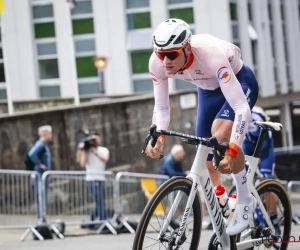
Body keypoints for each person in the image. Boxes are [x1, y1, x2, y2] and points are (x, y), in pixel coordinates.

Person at [145, 18, 259, 235]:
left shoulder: (210, 54)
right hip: (207, 89)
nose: (165, 61)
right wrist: (158, 137)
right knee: (205, 154)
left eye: (171, 54)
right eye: (161, 54)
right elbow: (161, 106)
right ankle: (225, 203)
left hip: (238, 81)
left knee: (220, 134)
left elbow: (241, 109)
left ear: (187, 48)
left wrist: (232, 150)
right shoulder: (156, 63)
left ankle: (245, 202)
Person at [242, 106, 281, 235]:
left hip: (264, 148)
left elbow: (266, 136)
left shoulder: (257, 113)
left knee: (265, 179)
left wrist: (257, 156)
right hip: (247, 145)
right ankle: (255, 216)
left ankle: (273, 219)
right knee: (243, 180)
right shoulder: (234, 110)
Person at [79, 132, 109, 223]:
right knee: (99, 201)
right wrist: (84, 150)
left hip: (101, 179)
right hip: (91, 180)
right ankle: (102, 221)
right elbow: (82, 164)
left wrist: (96, 153)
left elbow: (105, 159)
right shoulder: (87, 152)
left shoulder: (103, 150)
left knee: (100, 202)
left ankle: (90, 222)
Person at [28, 125, 53, 220]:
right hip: (40, 175)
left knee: (42, 198)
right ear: (45, 134)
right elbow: (32, 154)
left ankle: (42, 218)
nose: (51, 135)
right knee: (41, 198)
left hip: (44, 176)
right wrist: (39, 164)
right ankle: (41, 219)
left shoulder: (43, 145)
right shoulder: (41, 144)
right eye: (50, 133)